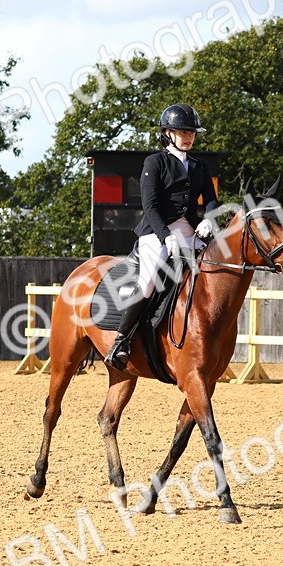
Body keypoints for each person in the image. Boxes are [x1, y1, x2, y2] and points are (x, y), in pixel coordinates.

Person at [104, 103, 220, 370]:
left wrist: (208, 220)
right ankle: (121, 342)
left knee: (218, 266)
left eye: (192, 132)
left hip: (190, 231)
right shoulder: (155, 162)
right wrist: (165, 235)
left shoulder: (199, 166)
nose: (189, 136)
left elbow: (212, 201)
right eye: (183, 132)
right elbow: (150, 205)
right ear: (168, 133)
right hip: (156, 233)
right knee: (147, 282)